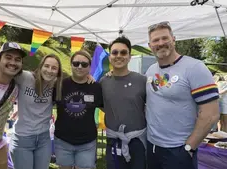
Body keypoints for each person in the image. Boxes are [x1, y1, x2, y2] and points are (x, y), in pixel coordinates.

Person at [145, 21, 220, 169]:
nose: (160, 43)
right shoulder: (150, 70)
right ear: (150, 45)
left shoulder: (194, 67)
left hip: (179, 150)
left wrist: (189, 147)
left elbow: (211, 114)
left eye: (164, 38)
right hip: (152, 147)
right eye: (155, 40)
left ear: (173, 39)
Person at [0, 53, 63, 169]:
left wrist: (89, 77)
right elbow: (5, 70)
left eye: (54, 68)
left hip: (44, 140)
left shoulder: (56, 85)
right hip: (23, 139)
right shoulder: (26, 77)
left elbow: (78, 83)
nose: (49, 70)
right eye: (46, 66)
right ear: (40, 67)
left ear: (58, 72)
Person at [100, 36, 147, 169]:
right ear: (110, 57)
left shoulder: (142, 80)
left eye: (123, 52)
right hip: (113, 141)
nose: (119, 56)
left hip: (138, 142)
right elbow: (104, 106)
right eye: (115, 52)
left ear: (130, 56)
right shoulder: (103, 82)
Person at [54, 50, 103, 169]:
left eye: (84, 64)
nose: (79, 67)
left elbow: (106, 107)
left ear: (90, 67)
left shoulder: (96, 87)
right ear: (71, 65)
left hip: (87, 142)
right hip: (63, 140)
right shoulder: (60, 85)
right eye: (76, 63)